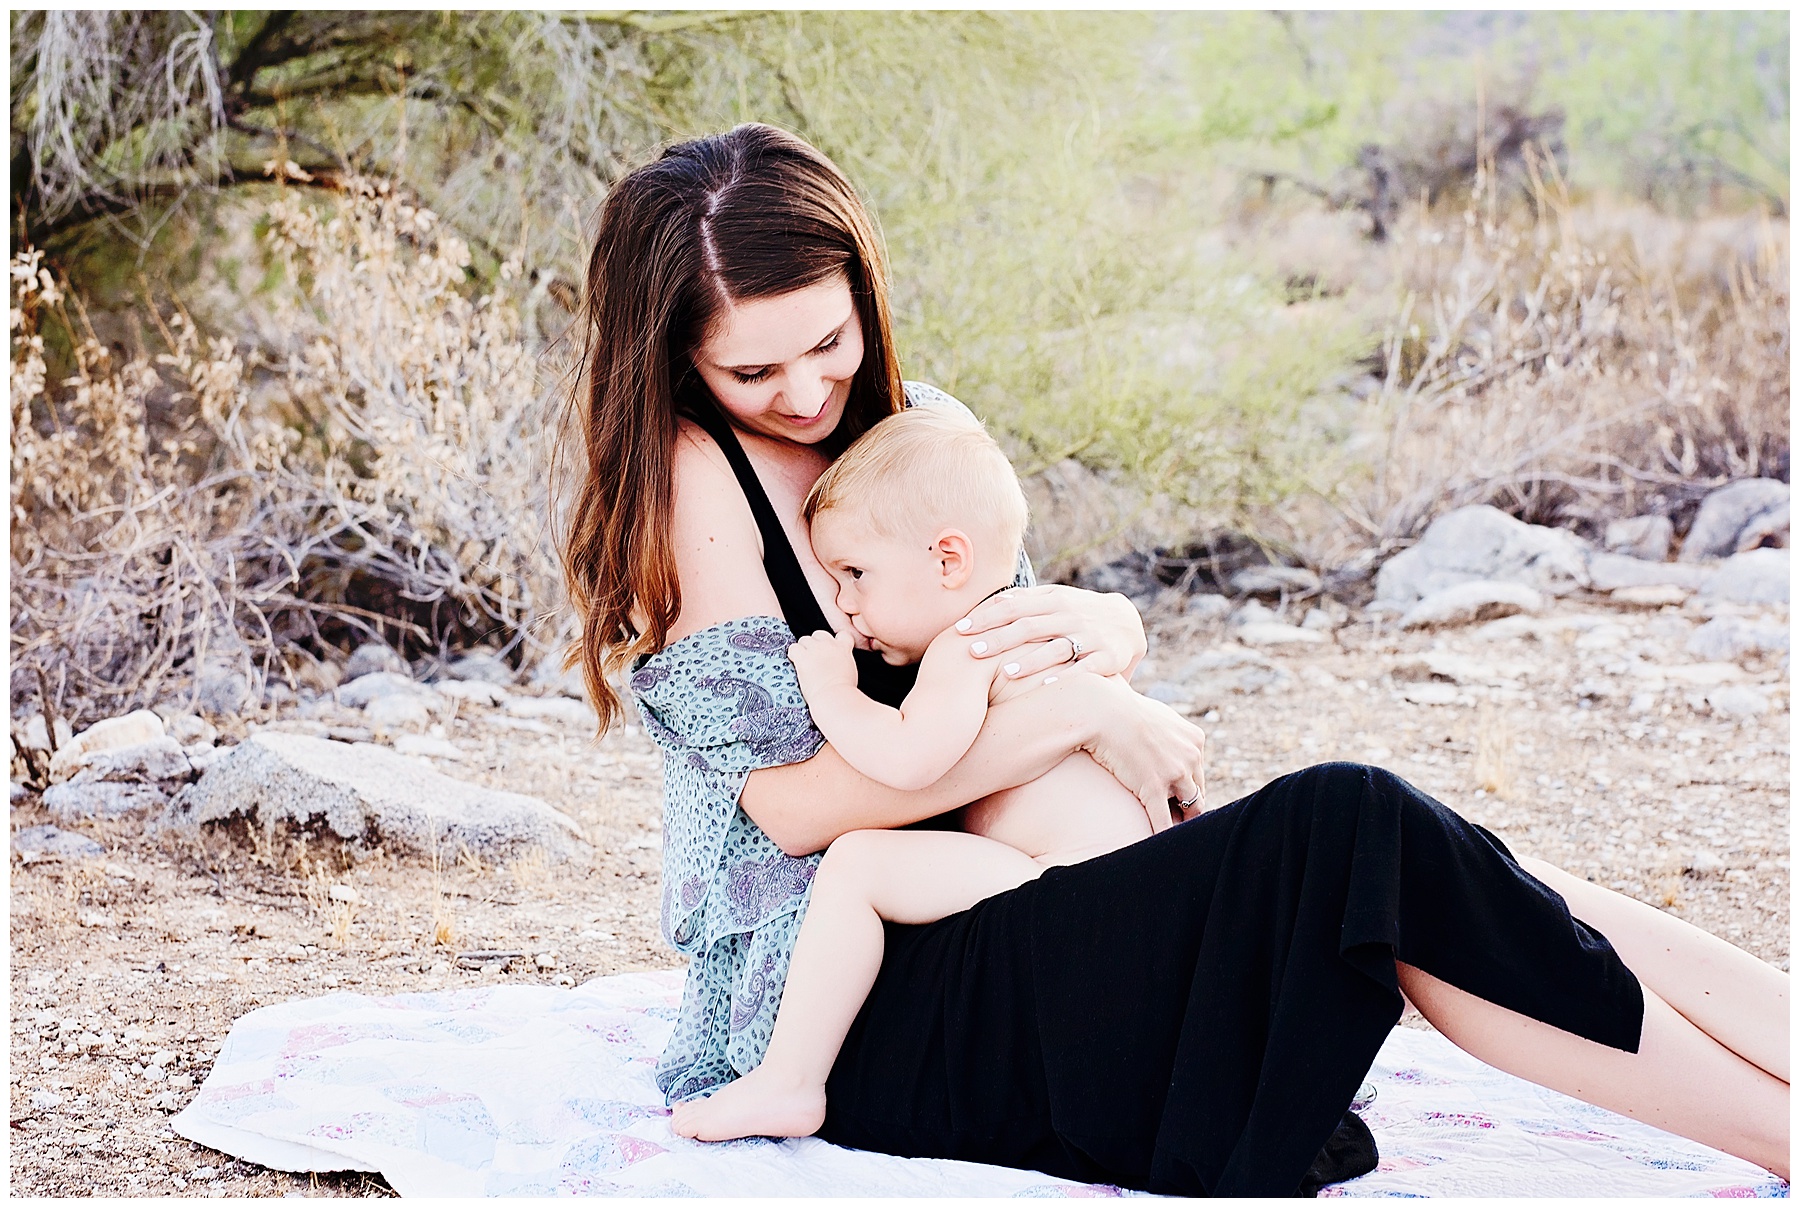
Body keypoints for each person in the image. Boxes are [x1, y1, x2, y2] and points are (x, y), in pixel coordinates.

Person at [558, 122, 1789, 1195]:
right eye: (751, 368)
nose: (805, 388)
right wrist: (1086, 711)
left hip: (1012, 907)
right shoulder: (696, 480)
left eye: (826, 340)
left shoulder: (914, 428)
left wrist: (1110, 638)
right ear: (678, 359)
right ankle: (1780, 1133)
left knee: (1420, 854)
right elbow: (792, 810)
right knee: (1351, 825)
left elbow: (1013, 639)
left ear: (861, 294)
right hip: (856, 1007)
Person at [670, 407, 1158, 1143]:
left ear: (948, 561)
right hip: (1119, 897)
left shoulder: (971, 643)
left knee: (860, 864)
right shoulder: (1039, 623)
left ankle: (789, 1081)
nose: (845, 602)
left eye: (857, 573)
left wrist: (832, 690)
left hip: (1064, 892)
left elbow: (908, 760)